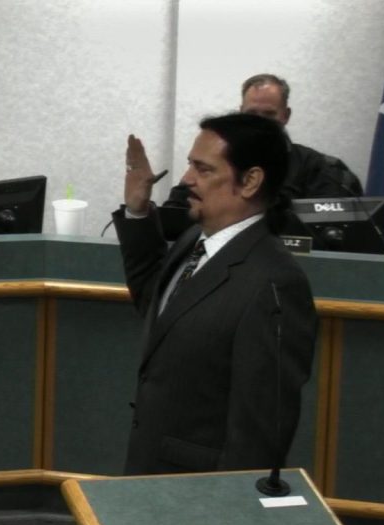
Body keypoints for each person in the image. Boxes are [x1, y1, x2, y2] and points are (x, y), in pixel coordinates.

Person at [112, 113, 317, 475]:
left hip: (200, 494)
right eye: (190, 165)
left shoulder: (274, 283)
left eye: (203, 170)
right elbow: (157, 306)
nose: (186, 180)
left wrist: (227, 514)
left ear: (251, 181)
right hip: (150, 470)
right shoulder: (196, 240)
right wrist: (137, 211)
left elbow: (260, 431)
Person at [240, 73, 364, 199]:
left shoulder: (321, 169)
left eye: (269, 114)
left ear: (286, 116)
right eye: (251, 113)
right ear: (240, 115)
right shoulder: (223, 165)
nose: (260, 121)